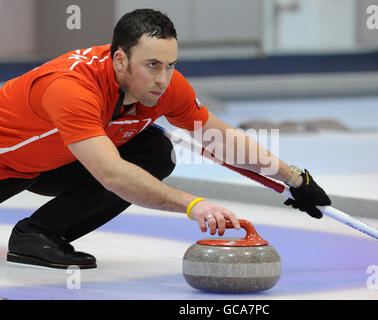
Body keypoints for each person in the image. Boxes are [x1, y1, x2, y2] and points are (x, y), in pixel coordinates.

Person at [0, 9, 331, 269]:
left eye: (170, 65)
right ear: (119, 59)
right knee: (119, 166)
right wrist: (193, 204)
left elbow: (220, 139)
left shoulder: (166, 87)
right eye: (152, 65)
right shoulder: (72, 89)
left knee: (155, 151)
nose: (162, 79)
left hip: (52, 163)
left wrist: (294, 179)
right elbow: (111, 174)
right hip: (7, 165)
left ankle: (39, 235)